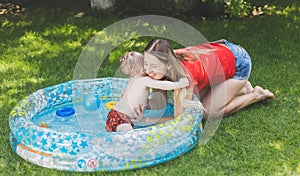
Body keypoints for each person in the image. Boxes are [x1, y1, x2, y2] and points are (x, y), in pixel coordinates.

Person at [139, 38, 275, 119]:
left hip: (239, 61)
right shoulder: (163, 62)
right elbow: (159, 102)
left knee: (206, 112)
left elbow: (178, 117)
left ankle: (256, 95)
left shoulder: (185, 76)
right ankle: (239, 88)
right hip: (222, 52)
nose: (148, 70)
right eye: (146, 63)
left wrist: (147, 122)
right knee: (195, 99)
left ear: (168, 65)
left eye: (154, 66)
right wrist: (141, 102)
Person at [105, 51, 189, 132]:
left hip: (113, 114)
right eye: (146, 65)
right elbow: (162, 85)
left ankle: (110, 127)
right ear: (142, 70)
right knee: (129, 135)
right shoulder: (144, 80)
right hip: (123, 119)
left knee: (116, 130)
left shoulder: (132, 79)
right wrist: (179, 84)